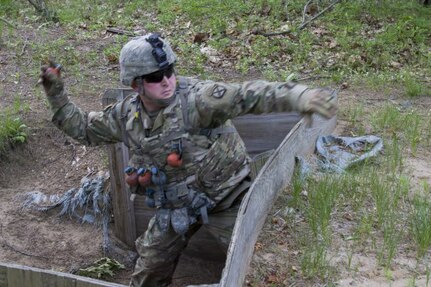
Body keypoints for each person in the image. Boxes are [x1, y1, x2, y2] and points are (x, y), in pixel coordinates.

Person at [40, 33, 337, 287]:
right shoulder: (125, 116)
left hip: (228, 201)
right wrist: (55, 92)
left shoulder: (199, 100)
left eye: (169, 71)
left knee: (253, 263)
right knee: (148, 273)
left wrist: (299, 95)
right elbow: (82, 128)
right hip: (176, 208)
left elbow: (249, 94)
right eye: (156, 77)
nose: (167, 80)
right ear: (136, 85)